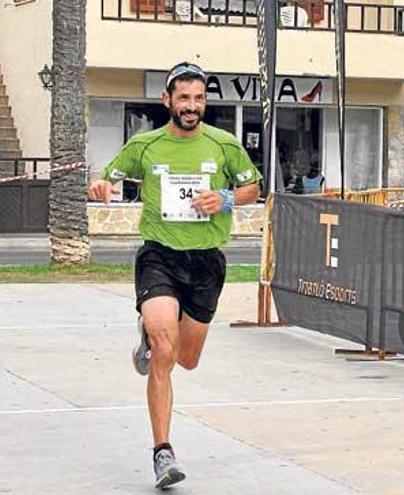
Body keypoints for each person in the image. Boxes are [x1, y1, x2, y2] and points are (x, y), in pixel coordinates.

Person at [88, 62, 261, 490]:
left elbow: (253, 189)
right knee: (165, 350)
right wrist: (100, 185)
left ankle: (152, 336)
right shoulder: (145, 146)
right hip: (160, 255)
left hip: (205, 262)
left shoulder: (224, 145)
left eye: (198, 98)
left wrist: (223, 197)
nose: (191, 106)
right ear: (168, 100)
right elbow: (107, 177)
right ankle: (162, 452)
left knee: (186, 358)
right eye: (183, 98)